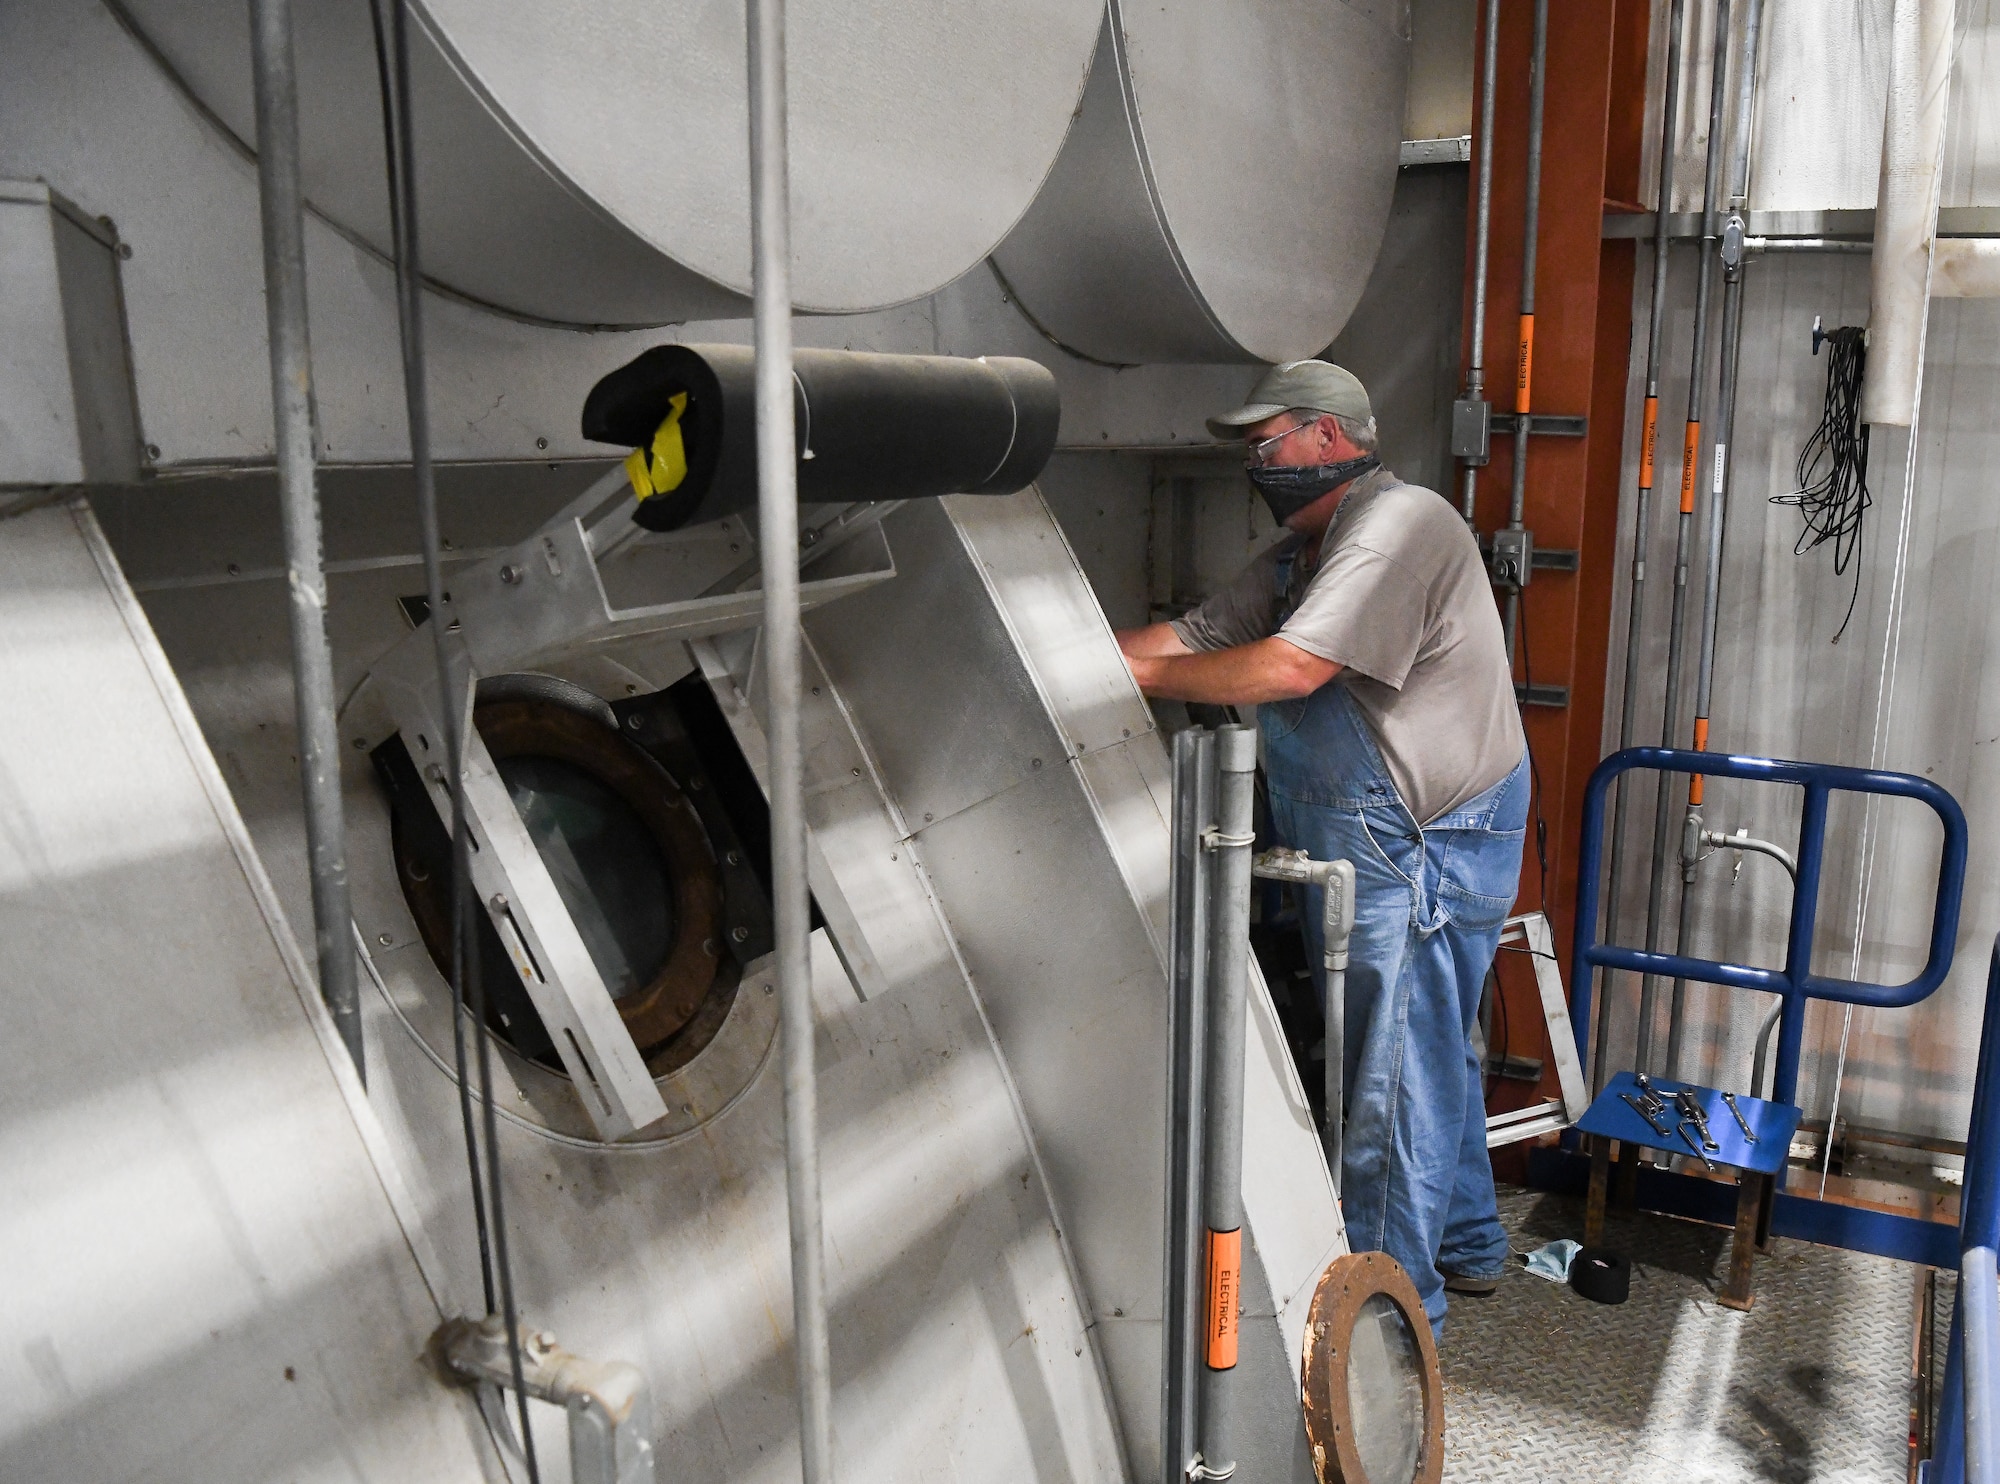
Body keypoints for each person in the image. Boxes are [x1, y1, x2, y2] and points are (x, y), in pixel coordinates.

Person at [1117, 359, 1527, 1335]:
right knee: (1430, 1052)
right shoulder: (1304, 551)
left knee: (1389, 1074)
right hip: (1374, 835)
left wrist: (1140, 670)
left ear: (1330, 437)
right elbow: (1185, 636)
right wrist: (1062, 656)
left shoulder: (1400, 524)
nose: (1255, 461)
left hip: (1425, 839)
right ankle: (1466, 1244)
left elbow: (1290, 667)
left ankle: (1388, 1320)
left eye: (1269, 440)